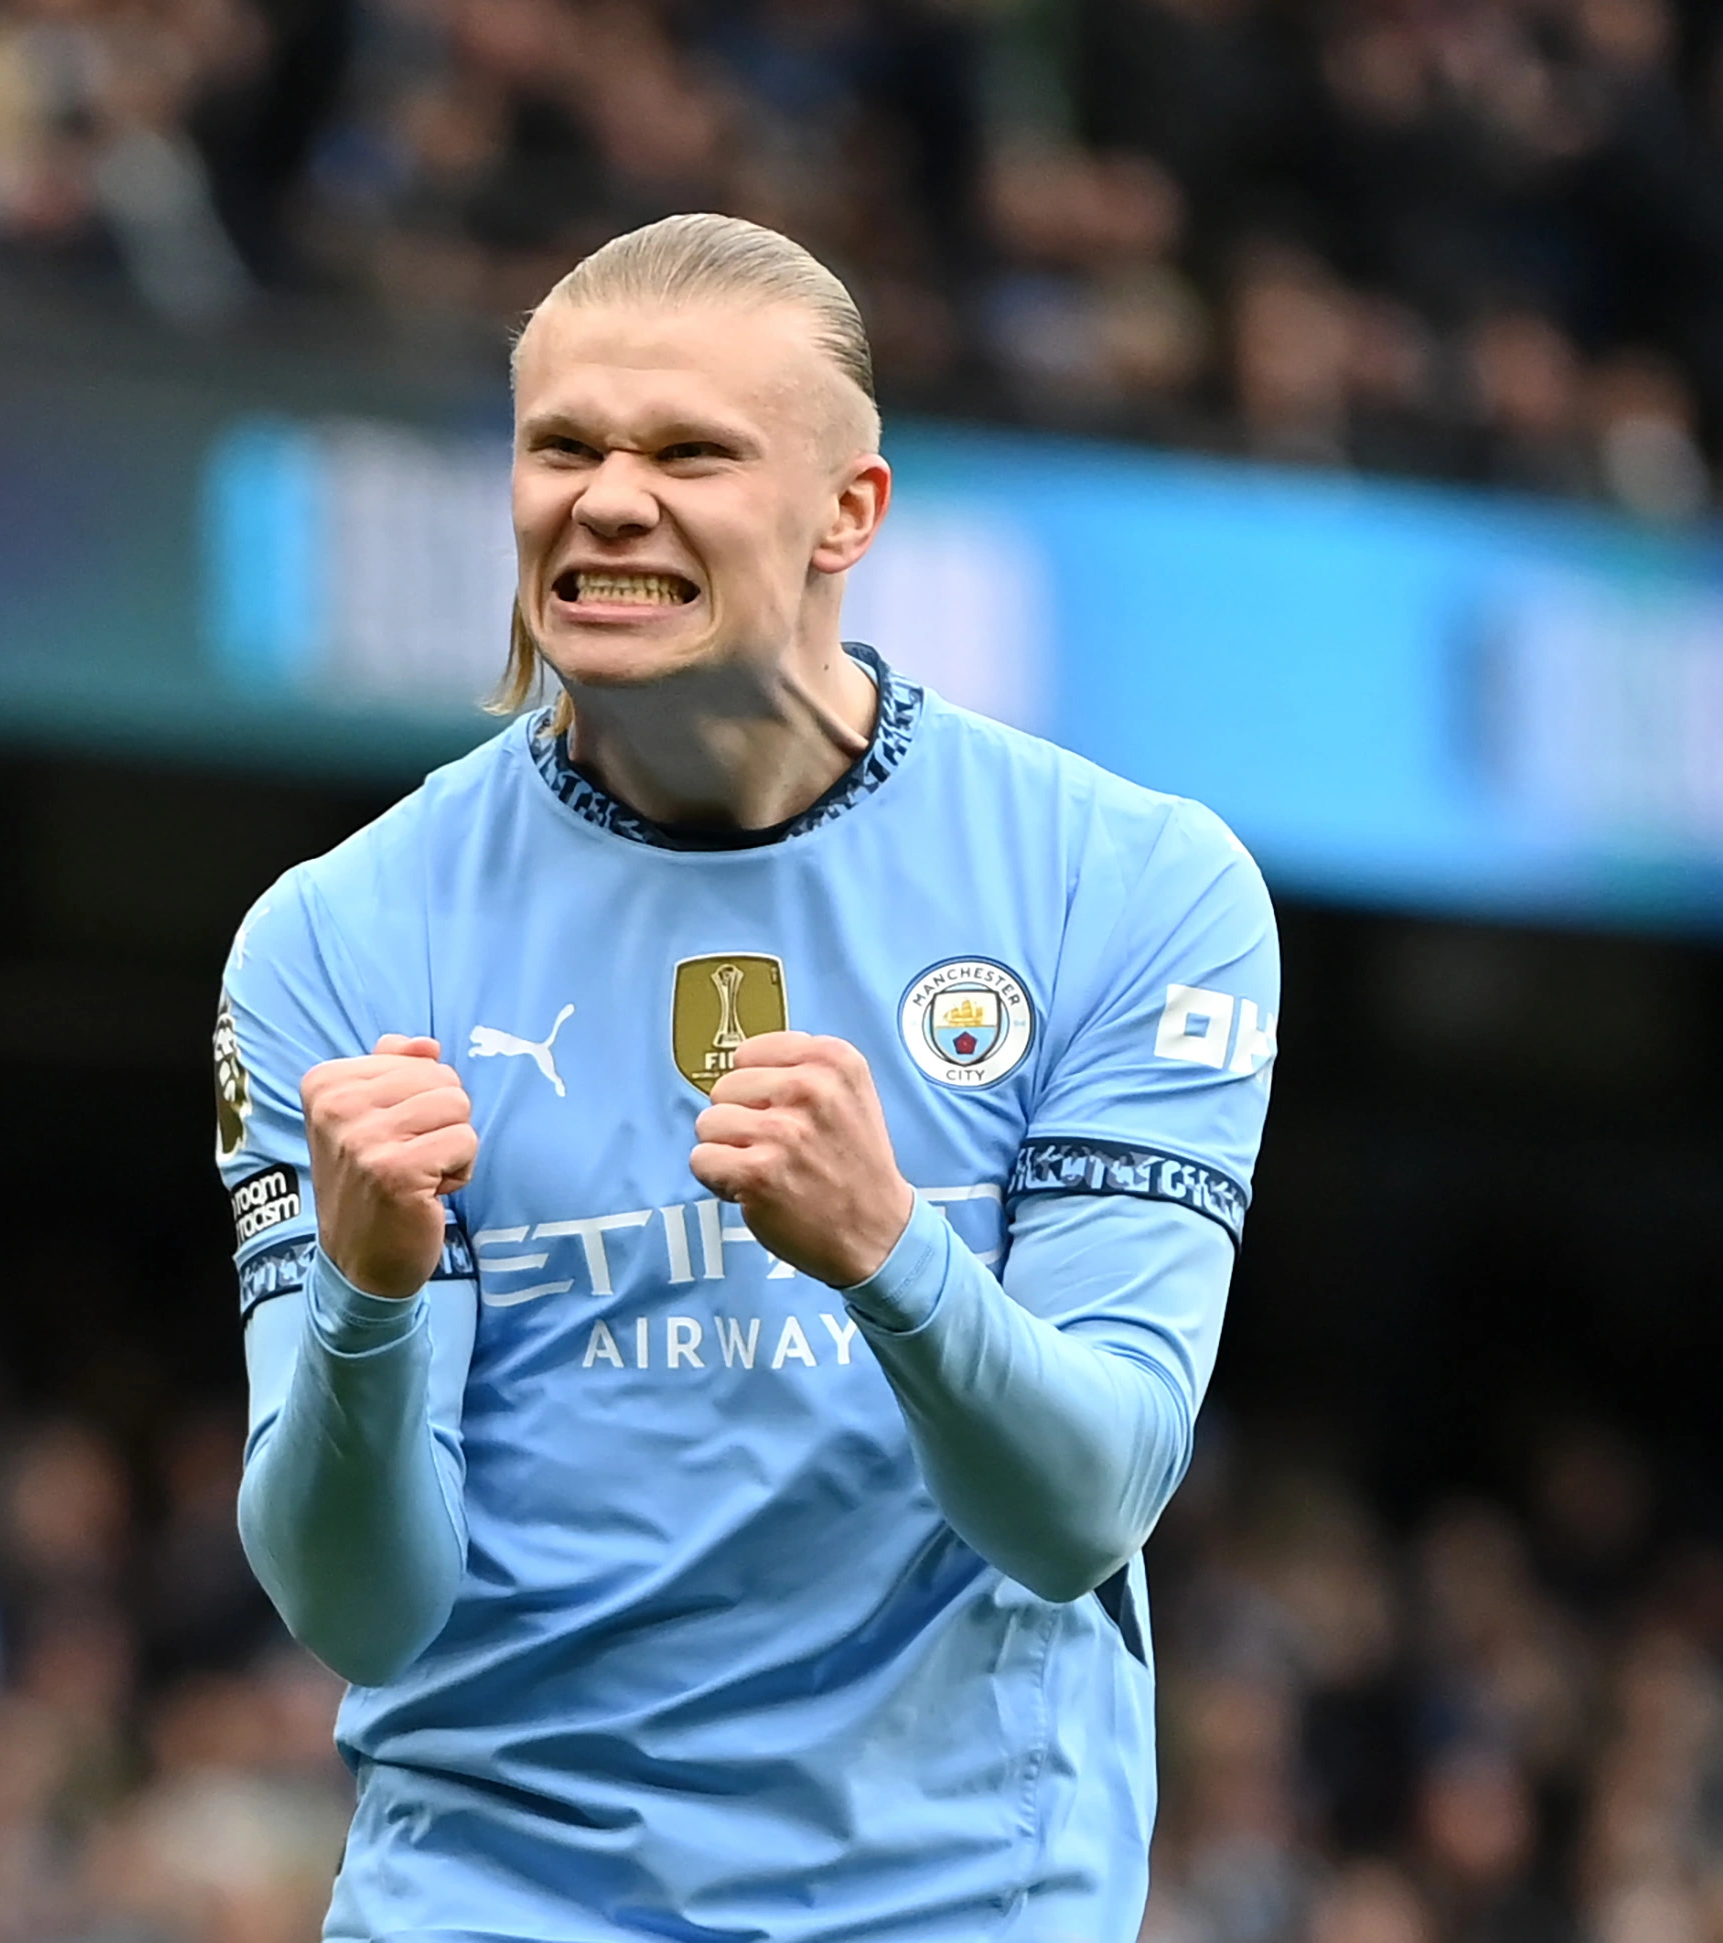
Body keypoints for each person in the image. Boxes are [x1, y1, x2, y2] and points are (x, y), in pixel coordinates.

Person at [216, 212, 1280, 1940]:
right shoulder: (342, 935)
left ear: (849, 510)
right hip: (495, 1900)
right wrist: (365, 1299)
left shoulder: (1130, 888)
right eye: (562, 446)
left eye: (688, 451)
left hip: (945, 1902)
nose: (608, 498)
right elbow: (359, 1607)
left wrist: (891, 1250)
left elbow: (1086, 1505)